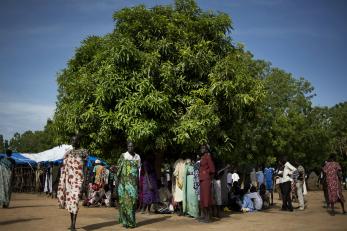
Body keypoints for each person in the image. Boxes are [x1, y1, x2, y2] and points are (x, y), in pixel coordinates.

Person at [57, 135, 88, 230]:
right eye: (72, 140)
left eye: (75, 140)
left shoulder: (84, 152)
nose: (73, 142)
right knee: (70, 202)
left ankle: (74, 224)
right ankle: (72, 223)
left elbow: (85, 168)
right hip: (69, 181)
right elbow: (64, 166)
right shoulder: (69, 152)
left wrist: (84, 181)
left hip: (78, 180)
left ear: (79, 141)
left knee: (75, 201)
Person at [117, 141, 141, 228]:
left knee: (133, 201)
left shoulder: (137, 156)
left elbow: (139, 170)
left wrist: (138, 182)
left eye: (132, 146)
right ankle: (126, 222)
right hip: (124, 183)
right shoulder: (123, 156)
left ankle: (132, 221)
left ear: (134, 147)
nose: (130, 148)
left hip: (134, 183)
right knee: (125, 202)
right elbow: (119, 171)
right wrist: (118, 184)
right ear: (127, 147)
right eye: (129, 146)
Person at [199, 144, 215, 223]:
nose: (201, 149)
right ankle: (204, 216)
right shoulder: (202, 157)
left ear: (206, 149)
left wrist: (206, 173)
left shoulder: (208, 156)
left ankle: (208, 217)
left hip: (206, 180)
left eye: (203, 148)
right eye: (201, 148)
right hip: (202, 179)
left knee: (206, 198)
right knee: (202, 198)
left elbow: (212, 169)